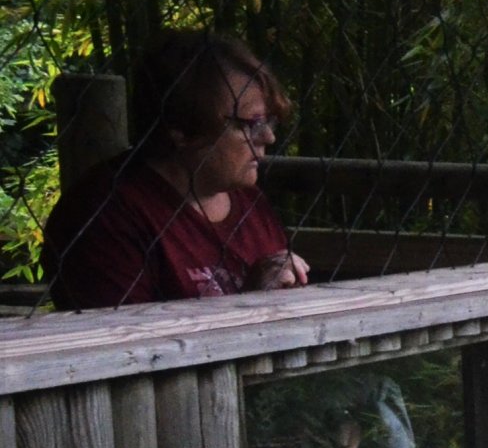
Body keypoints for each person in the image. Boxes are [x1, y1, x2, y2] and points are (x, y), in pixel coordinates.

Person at [42, 30, 312, 308]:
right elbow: (123, 343)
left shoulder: (248, 201)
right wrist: (247, 304)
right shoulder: (105, 216)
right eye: (250, 124)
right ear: (181, 127)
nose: (269, 137)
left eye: (270, 122)